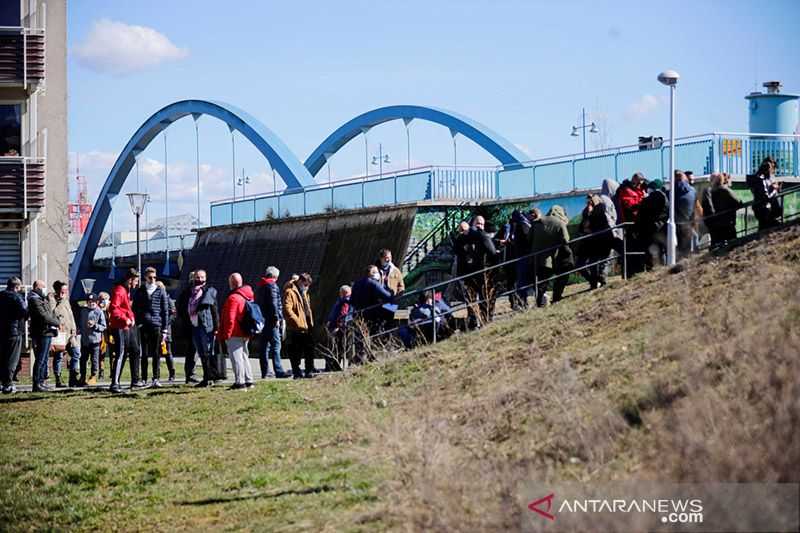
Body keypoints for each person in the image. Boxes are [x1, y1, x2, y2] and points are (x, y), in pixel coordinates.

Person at [132, 267, 170, 387]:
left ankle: (156, 378)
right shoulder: (140, 291)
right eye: (150, 277)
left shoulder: (160, 291)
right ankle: (143, 378)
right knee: (144, 353)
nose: (153, 279)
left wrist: (165, 328)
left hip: (156, 325)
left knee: (156, 353)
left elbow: (165, 310)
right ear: (145, 278)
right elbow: (135, 308)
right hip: (144, 325)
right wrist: (139, 322)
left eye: (154, 277)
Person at [218, 273, 255, 390]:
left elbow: (230, 318)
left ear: (231, 283)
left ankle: (240, 382)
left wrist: (226, 335)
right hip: (245, 331)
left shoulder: (233, 298)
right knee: (244, 356)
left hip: (235, 332)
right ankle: (249, 380)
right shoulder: (247, 295)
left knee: (236, 358)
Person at [530, 205, 573, 306]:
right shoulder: (560, 223)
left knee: (542, 282)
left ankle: (539, 302)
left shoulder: (536, 223)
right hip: (552, 258)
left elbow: (529, 238)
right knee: (562, 276)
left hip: (536, 258)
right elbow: (566, 240)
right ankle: (556, 297)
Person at [108, 268, 142, 393]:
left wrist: (131, 317)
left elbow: (127, 308)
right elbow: (113, 308)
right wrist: (124, 319)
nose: (137, 284)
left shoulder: (126, 291)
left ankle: (135, 380)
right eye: (136, 281)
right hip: (120, 326)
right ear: (130, 280)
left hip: (127, 326)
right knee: (121, 353)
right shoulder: (119, 290)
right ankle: (115, 383)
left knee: (135, 350)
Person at [255, 266, 290, 379]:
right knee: (276, 345)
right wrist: (277, 319)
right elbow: (274, 304)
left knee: (264, 347)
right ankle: (279, 370)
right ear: (274, 276)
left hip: (262, 320)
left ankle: (265, 372)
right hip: (271, 321)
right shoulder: (272, 286)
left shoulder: (260, 286)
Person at [186, 269, 220, 387]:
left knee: (208, 352)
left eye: (202, 277)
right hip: (194, 325)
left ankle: (211, 376)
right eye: (197, 277)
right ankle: (206, 377)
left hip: (206, 326)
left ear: (205, 278)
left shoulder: (209, 291)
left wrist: (216, 327)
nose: (199, 280)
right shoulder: (190, 293)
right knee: (201, 353)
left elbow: (214, 310)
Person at [28, 280, 59, 392]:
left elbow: (49, 312)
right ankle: (37, 383)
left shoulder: (41, 298)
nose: (45, 289)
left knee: (44, 358)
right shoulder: (34, 299)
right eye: (43, 287)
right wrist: (57, 323)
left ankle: (41, 382)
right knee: (40, 359)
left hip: (47, 331)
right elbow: (44, 316)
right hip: (42, 331)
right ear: (38, 287)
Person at [283, 273, 316, 379]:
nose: (307, 287)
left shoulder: (305, 292)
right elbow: (287, 309)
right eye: (306, 285)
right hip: (296, 327)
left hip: (307, 326)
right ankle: (297, 372)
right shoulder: (290, 292)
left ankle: (309, 371)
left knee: (309, 349)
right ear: (300, 282)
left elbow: (307, 308)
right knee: (295, 352)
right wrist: (297, 322)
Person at [49, 280, 81, 387]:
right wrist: (61, 301)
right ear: (58, 290)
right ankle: (58, 379)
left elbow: (70, 315)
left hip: (70, 333)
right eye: (64, 290)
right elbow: (53, 312)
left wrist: (74, 328)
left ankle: (73, 378)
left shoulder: (66, 300)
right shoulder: (51, 299)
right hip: (60, 333)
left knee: (76, 353)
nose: (66, 292)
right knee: (58, 356)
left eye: (67, 290)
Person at [634, 179, 669, 271]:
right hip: (662, 228)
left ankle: (652, 269)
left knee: (650, 253)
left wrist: (636, 229)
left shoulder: (647, 200)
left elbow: (640, 216)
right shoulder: (666, 199)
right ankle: (662, 268)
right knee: (661, 251)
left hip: (648, 230)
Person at [0, 277, 27, 394]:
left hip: (1, 331)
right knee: (12, 359)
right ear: (17, 287)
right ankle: (8, 384)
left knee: (1, 357)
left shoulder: (0, 296)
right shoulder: (17, 297)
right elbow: (24, 312)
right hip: (14, 332)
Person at [703, 172, 744, 246]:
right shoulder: (725, 190)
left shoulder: (709, 192)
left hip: (715, 224)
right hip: (727, 222)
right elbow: (738, 203)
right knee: (732, 244)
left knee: (716, 244)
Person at [351, 265, 395, 331]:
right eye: (377, 272)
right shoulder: (372, 283)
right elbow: (387, 296)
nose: (378, 274)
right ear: (371, 273)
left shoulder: (356, 284)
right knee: (396, 309)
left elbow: (352, 300)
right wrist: (391, 292)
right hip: (375, 311)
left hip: (361, 314)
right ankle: (409, 317)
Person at [176, 271, 200, 383]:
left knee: (192, 351)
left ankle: (190, 373)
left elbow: (179, 309)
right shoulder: (190, 293)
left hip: (188, 325)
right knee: (193, 350)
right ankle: (190, 374)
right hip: (191, 325)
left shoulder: (185, 293)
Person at [746, 157, 783, 231]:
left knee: (764, 227)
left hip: (764, 208)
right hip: (765, 208)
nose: (773, 171)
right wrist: (775, 189)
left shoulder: (759, 179)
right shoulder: (761, 180)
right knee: (766, 227)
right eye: (772, 168)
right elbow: (766, 196)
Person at [79, 294, 106, 386]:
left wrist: (95, 325)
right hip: (84, 340)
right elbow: (80, 323)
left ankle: (93, 376)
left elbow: (103, 326)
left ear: (97, 302)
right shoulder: (83, 311)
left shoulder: (99, 312)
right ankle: (82, 377)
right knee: (83, 359)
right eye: (89, 302)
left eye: (93, 302)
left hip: (95, 340)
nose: (91, 304)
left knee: (94, 359)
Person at [157, 281, 177, 383]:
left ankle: (172, 374)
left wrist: (165, 323)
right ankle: (157, 375)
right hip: (156, 329)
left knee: (168, 352)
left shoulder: (168, 300)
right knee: (157, 353)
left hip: (165, 330)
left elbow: (173, 315)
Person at [674, 171, 697, 256]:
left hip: (676, 223)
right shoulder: (693, 191)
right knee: (687, 249)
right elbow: (694, 207)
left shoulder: (672, 192)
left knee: (678, 249)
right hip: (688, 223)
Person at [96, 291, 111, 379]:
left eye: (105, 299)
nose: (103, 301)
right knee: (101, 352)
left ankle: (113, 371)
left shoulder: (111, 308)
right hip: (102, 332)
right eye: (101, 299)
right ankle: (101, 372)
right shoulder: (97, 309)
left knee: (113, 352)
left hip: (111, 332)